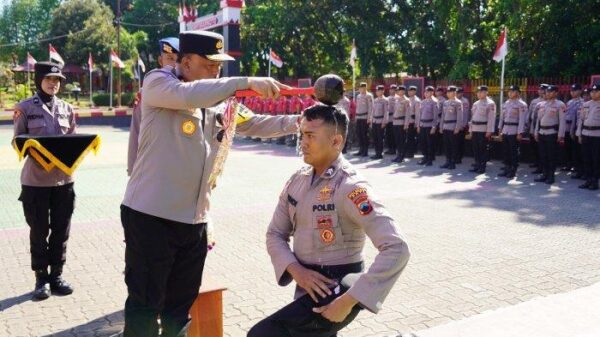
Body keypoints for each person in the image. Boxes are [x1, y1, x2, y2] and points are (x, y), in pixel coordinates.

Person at [120, 30, 301, 337]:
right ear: (186, 62)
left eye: (219, 64)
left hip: (194, 221)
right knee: (145, 304)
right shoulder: (158, 83)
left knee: (180, 307)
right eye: (209, 63)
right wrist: (245, 82)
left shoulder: (219, 102)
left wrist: (302, 121)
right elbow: (190, 96)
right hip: (151, 217)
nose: (216, 70)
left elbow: (255, 123)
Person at [248, 103, 410, 337]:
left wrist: (348, 301)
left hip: (338, 288)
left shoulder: (351, 187)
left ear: (336, 142)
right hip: (306, 286)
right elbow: (275, 234)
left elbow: (397, 248)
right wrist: (296, 271)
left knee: (263, 334)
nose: (302, 142)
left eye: (311, 136)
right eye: (302, 134)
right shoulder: (298, 180)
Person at [12, 62, 76, 300]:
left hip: (63, 181)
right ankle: (41, 278)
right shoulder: (25, 108)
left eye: (57, 80)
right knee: (39, 230)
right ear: (39, 80)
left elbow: (72, 141)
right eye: (49, 79)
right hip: (36, 181)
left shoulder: (67, 108)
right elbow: (18, 140)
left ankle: (57, 275)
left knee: (61, 230)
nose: (53, 84)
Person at [127, 37, 179, 176]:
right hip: (154, 167)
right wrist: (132, 168)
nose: (174, 64)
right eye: (170, 58)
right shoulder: (146, 94)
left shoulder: (192, 92)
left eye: (178, 59)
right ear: (161, 61)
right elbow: (136, 131)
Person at [533, 84, 566, 184]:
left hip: (552, 133)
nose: (548, 93)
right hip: (542, 132)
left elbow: (562, 121)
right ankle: (544, 174)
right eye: (547, 91)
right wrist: (536, 132)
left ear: (556, 93)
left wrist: (561, 135)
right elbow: (538, 120)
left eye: (550, 91)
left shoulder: (560, 104)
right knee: (543, 155)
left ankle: (551, 176)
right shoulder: (541, 104)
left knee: (551, 156)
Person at [497, 85, 528, 178]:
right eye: (509, 91)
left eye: (512, 91)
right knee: (506, 151)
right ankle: (506, 168)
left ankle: (513, 170)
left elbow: (522, 120)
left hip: (514, 130)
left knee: (513, 152)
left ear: (518, 92)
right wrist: (500, 129)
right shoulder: (506, 103)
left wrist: (520, 133)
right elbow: (502, 118)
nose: (510, 93)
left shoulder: (521, 104)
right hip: (505, 129)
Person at [576, 83, 600, 190]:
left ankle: (595, 181)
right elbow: (581, 120)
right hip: (586, 133)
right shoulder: (586, 104)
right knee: (586, 158)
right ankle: (588, 180)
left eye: (596, 91)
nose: (593, 93)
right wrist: (579, 134)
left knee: (596, 159)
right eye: (591, 91)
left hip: (597, 135)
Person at [468, 85, 496, 174]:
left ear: (486, 92)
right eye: (478, 92)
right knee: (475, 148)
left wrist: (489, 131)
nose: (479, 94)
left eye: (481, 92)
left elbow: (491, 118)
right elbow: (472, 117)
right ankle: (477, 164)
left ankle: (482, 166)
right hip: (475, 128)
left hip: (483, 129)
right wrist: (471, 130)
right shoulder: (476, 103)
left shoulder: (490, 103)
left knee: (483, 149)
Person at [439, 86, 464, 170]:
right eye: (448, 92)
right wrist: (441, 126)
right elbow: (443, 116)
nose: (449, 94)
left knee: (453, 145)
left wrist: (457, 128)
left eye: (451, 92)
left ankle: (453, 162)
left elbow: (459, 117)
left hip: (453, 126)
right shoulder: (445, 103)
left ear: (454, 93)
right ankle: (447, 161)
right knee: (447, 145)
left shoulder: (458, 102)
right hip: (445, 126)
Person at [416, 86, 439, 166]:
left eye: (428, 92)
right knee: (423, 142)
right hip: (422, 124)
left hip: (429, 125)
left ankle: (430, 159)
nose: (425, 93)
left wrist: (434, 127)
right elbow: (420, 114)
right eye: (425, 92)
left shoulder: (435, 102)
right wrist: (418, 125)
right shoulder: (423, 102)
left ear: (432, 92)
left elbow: (435, 116)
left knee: (430, 143)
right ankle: (425, 157)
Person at [565, 84, 585, 177]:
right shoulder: (569, 102)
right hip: (567, 127)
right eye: (571, 90)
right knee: (567, 147)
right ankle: (568, 164)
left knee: (576, 149)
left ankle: (576, 167)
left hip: (575, 127)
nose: (572, 92)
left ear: (580, 91)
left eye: (575, 90)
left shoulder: (583, 102)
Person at [527, 84, 548, 172]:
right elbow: (530, 113)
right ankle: (536, 162)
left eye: (542, 90)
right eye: (539, 89)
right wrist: (528, 124)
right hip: (534, 125)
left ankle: (542, 165)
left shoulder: (549, 102)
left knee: (542, 148)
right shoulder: (534, 101)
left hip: (543, 127)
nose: (540, 91)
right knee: (534, 146)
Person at [354, 82, 373, 157]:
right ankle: (361, 149)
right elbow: (357, 107)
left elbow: (370, 107)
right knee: (359, 134)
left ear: (366, 87)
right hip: (359, 117)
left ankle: (365, 151)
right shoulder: (358, 96)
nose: (362, 89)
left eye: (364, 87)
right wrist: (356, 116)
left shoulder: (369, 95)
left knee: (365, 135)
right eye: (361, 87)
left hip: (365, 117)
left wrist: (369, 118)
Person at [392, 85, 410, 163]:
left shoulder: (406, 100)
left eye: (400, 91)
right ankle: (398, 155)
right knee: (397, 140)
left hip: (402, 123)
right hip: (395, 122)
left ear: (403, 91)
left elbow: (408, 113)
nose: (399, 92)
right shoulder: (396, 100)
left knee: (402, 140)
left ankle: (402, 156)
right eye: (398, 91)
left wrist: (406, 124)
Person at [371, 85, 388, 159]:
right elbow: (373, 111)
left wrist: (384, 122)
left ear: (383, 91)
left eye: (379, 91)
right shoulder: (375, 100)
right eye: (376, 91)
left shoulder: (385, 100)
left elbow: (386, 112)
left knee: (380, 138)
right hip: (374, 121)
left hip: (380, 121)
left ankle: (379, 153)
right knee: (375, 138)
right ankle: (376, 152)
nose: (377, 92)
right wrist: (371, 120)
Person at [405, 86, 420, 158]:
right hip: (407, 121)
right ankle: (408, 151)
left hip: (412, 122)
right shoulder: (408, 99)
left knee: (411, 138)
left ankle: (411, 152)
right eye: (409, 91)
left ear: (414, 92)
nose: (409, 92)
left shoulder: (416, 100)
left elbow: (417, 114)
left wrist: (417, 124)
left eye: (411, 91)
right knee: (407, 137)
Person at [456, 87, 470, 164]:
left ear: (462, 93)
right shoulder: (454, 101)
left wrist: (463, 125)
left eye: (459, 93)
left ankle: (459, 157)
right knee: (455, 142)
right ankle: (455, 156)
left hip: (461, 126)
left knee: (460, 142)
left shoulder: (464, 101)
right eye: (456, 93)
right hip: (454, 125)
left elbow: (465, 114)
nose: (457, 94)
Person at [385, 85, 397, 155]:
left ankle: (394, 149)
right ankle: (390, 148)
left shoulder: (398, 98)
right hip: (388, 119)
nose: (392, 90)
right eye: (391, 89)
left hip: (394, 119)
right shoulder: (387, 98)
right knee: (388, 134)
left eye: (393, 89)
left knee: (393, 135)